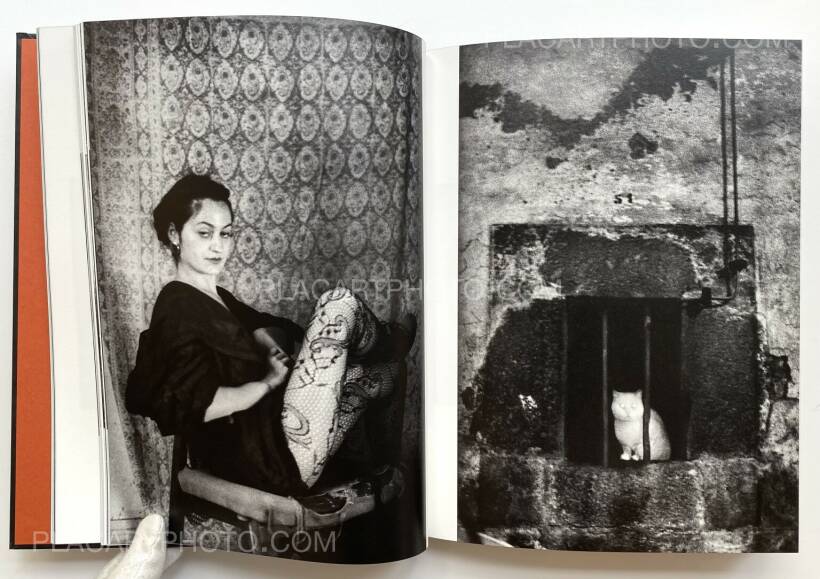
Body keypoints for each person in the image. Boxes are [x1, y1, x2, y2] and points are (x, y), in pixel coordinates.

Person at [125, 174, 416, 501]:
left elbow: (279, 328)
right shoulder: (177, 305)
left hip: (281, 438)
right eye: (204, 233)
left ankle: (382, 363)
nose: (218, 245)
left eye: (226, 233)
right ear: (174, 234)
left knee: (386, 372)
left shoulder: (218, 298)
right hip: (267, 459)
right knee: (338, 304)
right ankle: (389, 339)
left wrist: (264, 340)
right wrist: (266, 382)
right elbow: (194, 405)